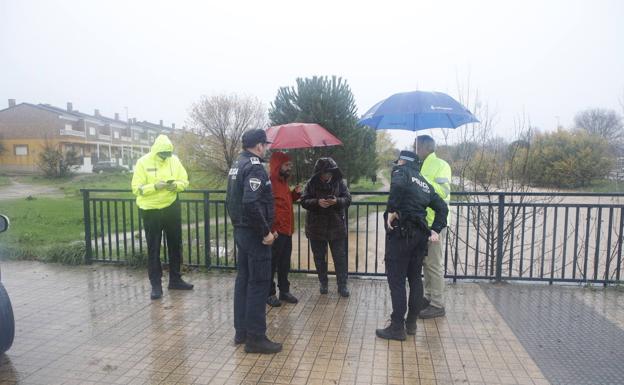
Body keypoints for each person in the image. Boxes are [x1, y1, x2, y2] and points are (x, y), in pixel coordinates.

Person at [376, 150, 448, 341]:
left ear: (402, 161)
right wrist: (436, 229)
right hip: (420, 236)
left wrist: (392, 210)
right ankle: (411, 324)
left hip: (402, 234)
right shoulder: (424, 182)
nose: (396, 164)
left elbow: (397, 186)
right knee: (415, 278)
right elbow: (443, 208)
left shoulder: (401, 171)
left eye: (398, 161)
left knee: (397, 281)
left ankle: (397, 327)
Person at [226, 129, 282, 354]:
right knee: (258, 284)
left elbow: (233, 200)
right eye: (265, 145)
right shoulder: (255, 167)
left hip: (241, 232)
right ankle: (256, 338)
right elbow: (250, 203)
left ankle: (242, 332)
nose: (266, 149)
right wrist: (265, 232)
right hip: (254, 235)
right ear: (259, 146)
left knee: (244, 281)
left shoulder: (237, 164)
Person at [131, 134, 193, 300]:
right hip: (151, 210)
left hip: (171, 206)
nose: (166, 157)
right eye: (163, 154)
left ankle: (175, 279)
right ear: (156, 151)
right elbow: (137, 189)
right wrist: (155, 187)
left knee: (175, 245)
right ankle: (156, 285)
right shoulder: (143, 162)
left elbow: (184, 181)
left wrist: (176, 186)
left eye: (168, 154)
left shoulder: (174, 160)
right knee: (154, 248)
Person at [300, 158, 352, 297]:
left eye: (330, 172)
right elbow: (303, 201)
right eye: (325, 172)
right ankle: (323, 283)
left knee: (340, 258)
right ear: (319, 173)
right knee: (319, 258)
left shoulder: (340, 183)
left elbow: (348, 199)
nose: (327, 175)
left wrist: (336, 201)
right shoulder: (311, 184)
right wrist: (317, 202)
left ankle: (342, 285)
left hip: (336, 227)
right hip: (316, 227)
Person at [416, 135, 452, 319]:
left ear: (424, 147)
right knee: (427, 263)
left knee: (434, 265)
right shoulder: (421, 165)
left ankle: (437, 304)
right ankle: (429, 297)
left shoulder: (441, 165)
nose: (416, 150)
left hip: (436, 224)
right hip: (424, 223)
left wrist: (422, 182)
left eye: (417, 146)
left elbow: (443, 192)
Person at [266, 152, 302, 307]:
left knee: (284, 263)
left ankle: (284, 291)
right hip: (276, 232)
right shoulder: (270, 183)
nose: (290, 168)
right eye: (287, 165)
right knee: (271, 264)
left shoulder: (284, 183)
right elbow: (267, 208)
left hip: (287, 231)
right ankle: (269, 293)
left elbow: (286, 203)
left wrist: (295, 194)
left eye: (291, 166)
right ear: (277, 165)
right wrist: (271, 229)